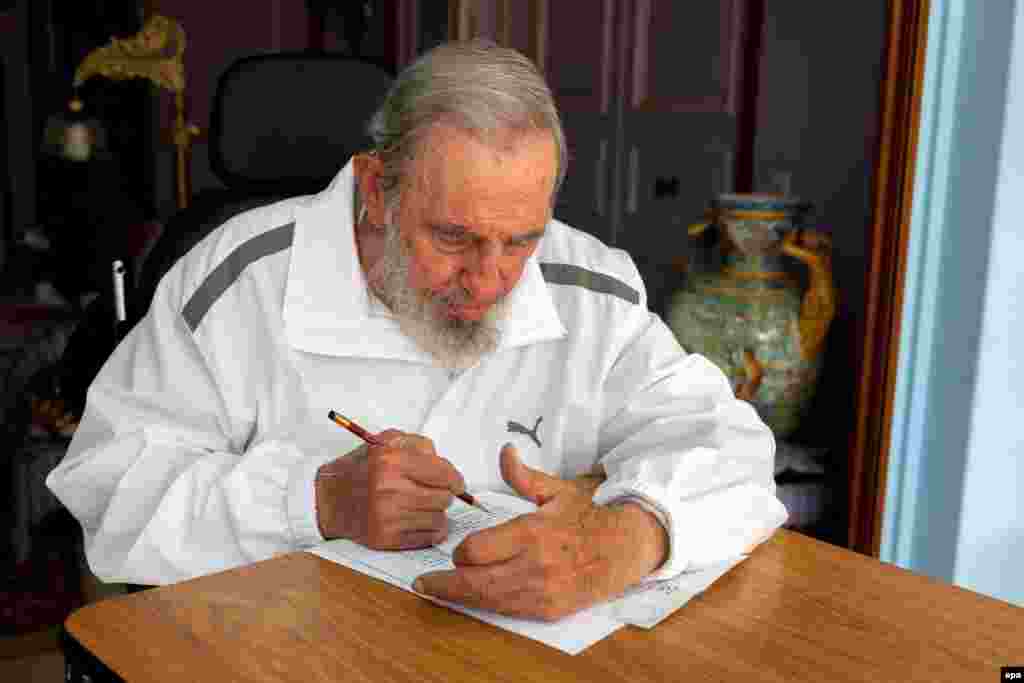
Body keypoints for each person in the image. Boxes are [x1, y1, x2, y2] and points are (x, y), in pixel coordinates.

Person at [47, 40, 787, 621]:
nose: (493, 277)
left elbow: (730, 448)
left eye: (522, 237)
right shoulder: (239, 275)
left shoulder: (588, 282)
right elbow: (107, 491)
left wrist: (629, 538)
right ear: (377, 189)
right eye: (455, 237)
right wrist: (314, 500)